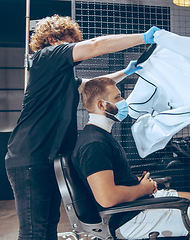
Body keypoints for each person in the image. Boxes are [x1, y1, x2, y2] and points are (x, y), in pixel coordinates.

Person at [5, 14, 160, 240]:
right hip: (31, 156)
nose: (72, 47)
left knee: (48, 228)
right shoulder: (46, 56)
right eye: (68, 41)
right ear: (51, 40)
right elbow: (95, 46)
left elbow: (93, 86)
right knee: (33, 232)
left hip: (49, 158)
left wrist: (126, 72)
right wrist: (143, 37)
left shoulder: (61, 75)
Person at [72, 77, 190, 240]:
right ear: (101, 105)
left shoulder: (101, 136)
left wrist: (141, 183)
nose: (124, 102)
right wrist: (142, 189)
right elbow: (107, 197)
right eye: (117, 97)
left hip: (131, 207)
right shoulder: (94, 144)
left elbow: (113, 180)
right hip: (126, 220)